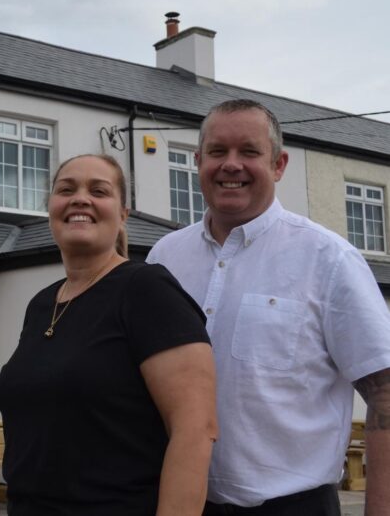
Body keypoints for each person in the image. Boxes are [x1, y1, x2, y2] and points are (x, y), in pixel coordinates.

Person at [147, 99, 390, 515]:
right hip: (178, 502)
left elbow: (384, 391)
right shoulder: (164, 258)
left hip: (293, 506)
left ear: (279, 165)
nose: (231, 164)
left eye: (249, 151)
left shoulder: (328, 259)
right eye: (218, 151)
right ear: (197, 161)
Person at [0, 154, 218, 515]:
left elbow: (195, 430)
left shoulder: (147, 289)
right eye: (66, 189)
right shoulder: (41, 304)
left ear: (123, 214)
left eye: (98, 191)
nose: (80, 199)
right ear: (51, 206)